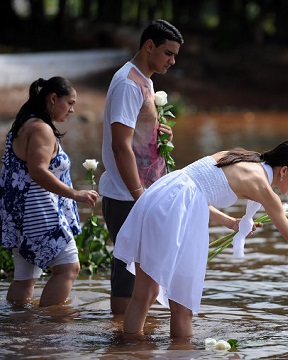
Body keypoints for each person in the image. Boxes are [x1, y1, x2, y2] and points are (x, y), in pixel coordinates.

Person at [113, 139, 288, 337]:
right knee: (183, 307)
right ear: (284, 170)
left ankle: (129, 351)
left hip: (160, 196)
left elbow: (196, 189)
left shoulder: (239, 157)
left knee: (144, 294)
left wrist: (231, 222)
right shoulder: (263, 188)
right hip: (174, 209)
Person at [99, 19, 184, 315]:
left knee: (143, 269)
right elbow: (120, 145)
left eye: (175, 55)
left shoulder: (145, 79)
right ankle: (122, 339)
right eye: (168, 53)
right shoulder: (127, 83)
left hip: (142, 192)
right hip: (127, 195)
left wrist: (160, 132)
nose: (172, 61)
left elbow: (138, 132)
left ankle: (130, 338)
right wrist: (140, 196)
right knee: (129, 269)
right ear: (149, 46)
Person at [0, 76, 99, 307]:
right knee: (68, 268)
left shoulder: (24, 123)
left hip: (19, 213)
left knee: (25, 279)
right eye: (70, 103)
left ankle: (18, 326)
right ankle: (50, 329)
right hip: (39, 214)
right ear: (53, 99)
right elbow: (38, 171)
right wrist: (76, 194)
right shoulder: (41, 129)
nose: (73, 110)